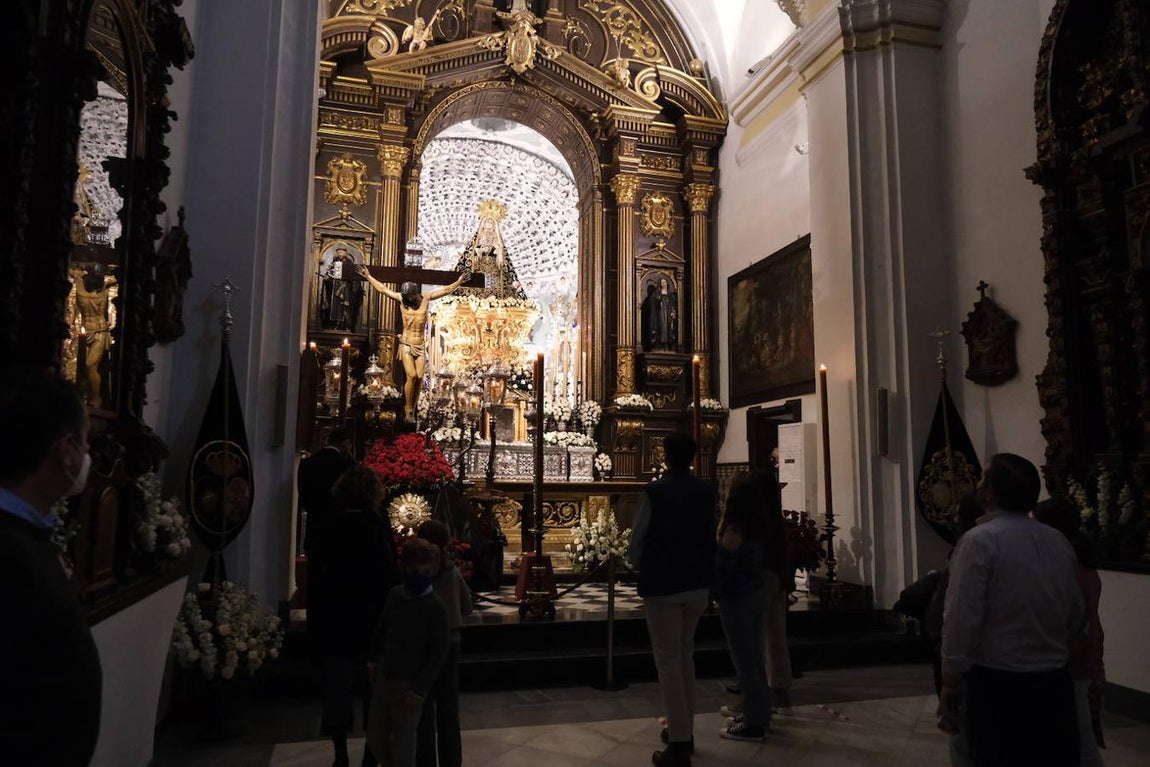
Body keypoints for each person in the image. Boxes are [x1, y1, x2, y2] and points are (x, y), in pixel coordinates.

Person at [939, 453, 1084, 767]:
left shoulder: (979, 542)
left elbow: (962, 617)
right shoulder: (1057, 541)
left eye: (982, 479)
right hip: (1053, 682)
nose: (976, 486)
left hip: (998, 685)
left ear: (990, 493)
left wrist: (950, 677)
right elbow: (1074, 610)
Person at [0, 369, 102, 765]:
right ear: (66, 450)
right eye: (86, 441)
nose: (88, 455)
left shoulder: (28, 533)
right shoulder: (8, 552)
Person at [627, 432, 717, 767]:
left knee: (668, 662)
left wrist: (636, 565)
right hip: (697, 584)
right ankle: (685, 730)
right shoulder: (706, 491)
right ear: (693, 456)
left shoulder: (655, 491)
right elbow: (710, 534)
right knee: (685, 657)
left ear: (666, 456)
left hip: (664, 584)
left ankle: (679, 744)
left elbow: (639, 537)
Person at [310, 465, 399, 767]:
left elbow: (316, 574)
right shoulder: (376, 524)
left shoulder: (327, 524)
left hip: (335, 616)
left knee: (337, 689)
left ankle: (340, 754)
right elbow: (389, 572)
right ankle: (371, 756)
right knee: (372, 689)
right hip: (370, 618)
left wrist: (315, 620)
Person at [366, 537, 450, 767]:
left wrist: (419, 690)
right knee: (375, 736)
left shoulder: (435, 607)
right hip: (386, 676)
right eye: (413, 570)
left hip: (409, 685)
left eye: (424, 571)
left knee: (404, 745)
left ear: (432, 571)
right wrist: (373, 662)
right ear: (404, 568)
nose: (418, 576)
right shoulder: (395, 595)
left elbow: (438, 653)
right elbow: (381, 630)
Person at [1036, 497, 1106, 767]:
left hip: (1072, 658)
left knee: (1082, 742)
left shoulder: (1068, 565)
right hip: (1084, 652)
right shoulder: (1082, 562)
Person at [358, 268, 467, 423]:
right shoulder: (402, 301)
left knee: (420, 376)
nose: (407, 299)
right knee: (412, 375)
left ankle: (413, 407)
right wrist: (368, 276)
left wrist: (459, 282)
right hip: (407, 344)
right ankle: (408, 408)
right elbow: (383, 289)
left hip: (420, 345)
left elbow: (445, 290)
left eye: (409, 296)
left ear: (415, 294)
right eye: (405, 296)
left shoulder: (426, 299)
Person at [713, 474, 771, 742]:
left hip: (737, 595)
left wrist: (714, 589)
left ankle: (753, 722)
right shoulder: (759, 523)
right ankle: (759, 711)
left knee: (744, 660)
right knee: (755, 658)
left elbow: (725, 563)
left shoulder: (736, 528)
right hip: (757, 592)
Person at [414, 520, 474, 767]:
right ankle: (452, 761)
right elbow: (467, 607)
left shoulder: (414, 572)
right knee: (448, 708)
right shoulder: (451, 572)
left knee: (423, 707)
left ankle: (425, 761)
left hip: (422, 646)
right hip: (450, 643)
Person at [297, 426, 356, 559]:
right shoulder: (345, 465)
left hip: (314, 529)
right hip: (338, 532)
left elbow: (303, 496)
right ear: (346, 444)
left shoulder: (307, 463)